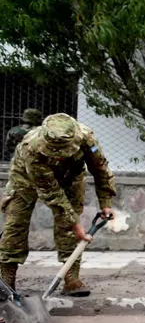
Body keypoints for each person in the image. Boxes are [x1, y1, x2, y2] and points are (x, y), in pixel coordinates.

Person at [0, 114, 116, 297]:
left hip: (71, 178)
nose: (60, 156)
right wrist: (75, 224)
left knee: (69, 230)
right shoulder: (30, 147)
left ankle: (71, 279)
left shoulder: (87, 139)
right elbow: (52, 193)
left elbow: (101, 169)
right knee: (15, 227)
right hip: (25, 180)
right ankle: (6, 283)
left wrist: (106, 203)